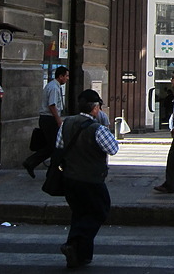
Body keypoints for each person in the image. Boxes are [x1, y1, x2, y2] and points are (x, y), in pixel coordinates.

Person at [58, 89, 119, 268]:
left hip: (70, 177)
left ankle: (79, 254)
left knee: (79, 213)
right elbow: (113, 148)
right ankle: (75, 243)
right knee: (100, 210)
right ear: (95, 109)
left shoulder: (66, 123)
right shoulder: (97, 128)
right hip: (91, 178)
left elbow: (59, 146)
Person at [24, 66, 69, 178]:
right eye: (66, 76)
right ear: (61, 76)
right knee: (54, 146)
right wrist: (58, 120)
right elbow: (52, 105)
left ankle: (33, 163)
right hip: (49, 119)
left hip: (48, 118)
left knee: (52, 146)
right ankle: (39, 166)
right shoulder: (53, 87)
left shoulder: (54, 86)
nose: (67, 78)